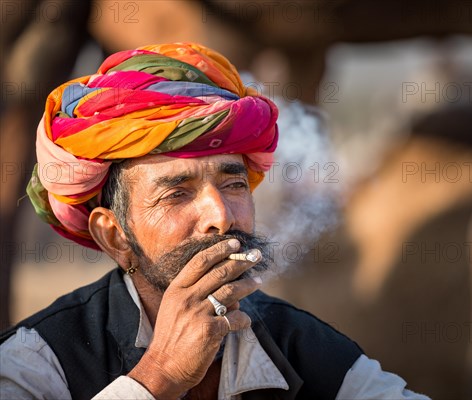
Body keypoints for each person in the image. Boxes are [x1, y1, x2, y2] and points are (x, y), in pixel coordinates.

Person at [0, 42, 429, 399]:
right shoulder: (36, 362)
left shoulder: (299, 344)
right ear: (114, 235)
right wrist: (160, 375)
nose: (221, 217)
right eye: (177, 193)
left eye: (235, 185)